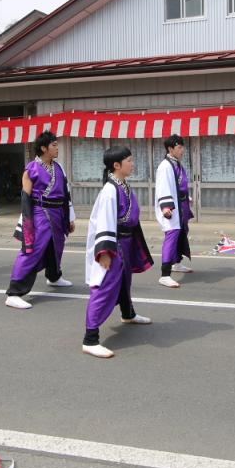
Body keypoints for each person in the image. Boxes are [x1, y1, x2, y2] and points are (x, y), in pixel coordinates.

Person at [82, 145, 153, 358]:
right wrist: (104, 251)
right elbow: (103, 221)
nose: (133, 164)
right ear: (116, 165)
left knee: (125, 281)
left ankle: (127, 313)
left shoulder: (122, 185)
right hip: (114, 244)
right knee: (105, 286)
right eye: (129, 160)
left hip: (127, 241)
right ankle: (90, 338)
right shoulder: (110, 190)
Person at [4, 131, 76, 309]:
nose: (57, 148)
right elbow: (25, 198)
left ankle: (54, 276)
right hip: (39, 212)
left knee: (56, 245)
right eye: (54, 145)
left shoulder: (58, 168)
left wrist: (70, 217)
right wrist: (28, 223)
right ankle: (14, 292)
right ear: (44, 148)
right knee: (33, 249)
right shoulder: (31, 169)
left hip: (58, 213)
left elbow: (66, 194)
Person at [155, 134, 194, 288]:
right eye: (179, 147)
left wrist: (186, 197)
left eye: (182, 147)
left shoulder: (176, 164)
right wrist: (166, 207)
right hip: (170, 208)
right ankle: (165, 274)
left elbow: (180, 185)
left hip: (180, 204)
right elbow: (163, 187)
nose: (182, 150)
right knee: (172, 236)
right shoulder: (165, 166)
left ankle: (176, 263)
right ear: (170, 149)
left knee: (180, 234)